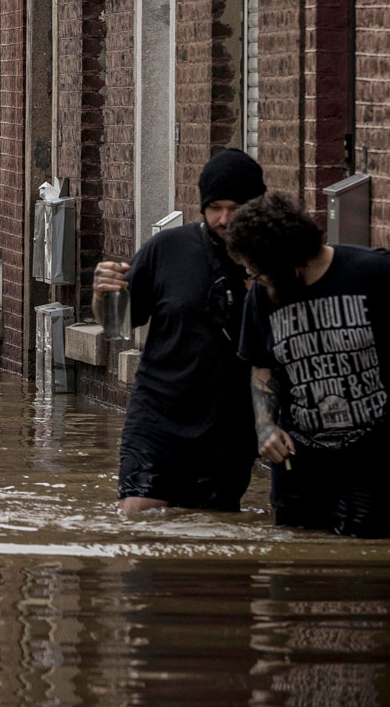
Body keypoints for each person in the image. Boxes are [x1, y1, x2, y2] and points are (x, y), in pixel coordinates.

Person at [229, 191, 390, 538]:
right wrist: (266, 427)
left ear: (288, 261)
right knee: (295, 564)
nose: (255, 280)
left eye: (259, 272)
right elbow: (263, 366)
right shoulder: (262, 295)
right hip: (299, 455)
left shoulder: (375, 272)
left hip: (379, 453)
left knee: (358, 564)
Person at [92, 149, 265, 516]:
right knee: (139, 510)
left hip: (229, 423)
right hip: (158, 413)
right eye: (215, 207)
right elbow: (118, 326)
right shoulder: (166, 249)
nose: (224, 218)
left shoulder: (271, 262)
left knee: (212, 526)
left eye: (236, 207)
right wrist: (103, 296)